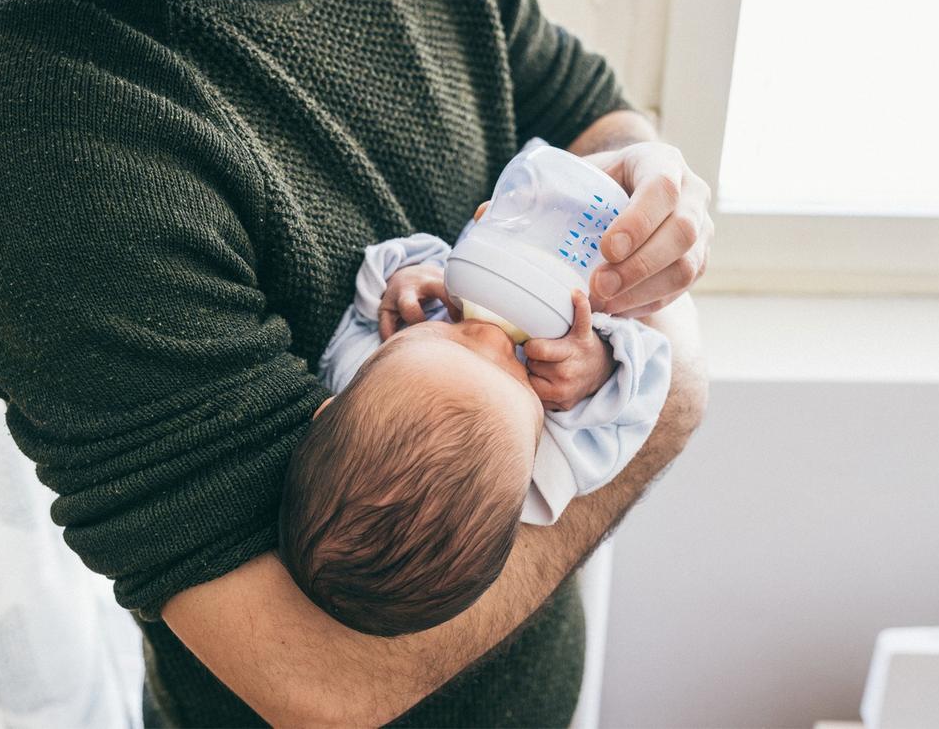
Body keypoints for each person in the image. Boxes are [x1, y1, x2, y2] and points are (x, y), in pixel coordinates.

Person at [0, 0, 713, 724]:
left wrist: (647, 173)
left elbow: (576, 108)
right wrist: (669, 397)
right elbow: (320, 681)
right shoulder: (42, 160)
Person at [279, 224, 672, 638]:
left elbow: (369, 292)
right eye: (514, 375)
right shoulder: (550, 470)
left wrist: (409, 278)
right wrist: (598, 367)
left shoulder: (357, 376)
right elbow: (645, 391)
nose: (493, 337)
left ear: (330, 409)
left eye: (449, 339)